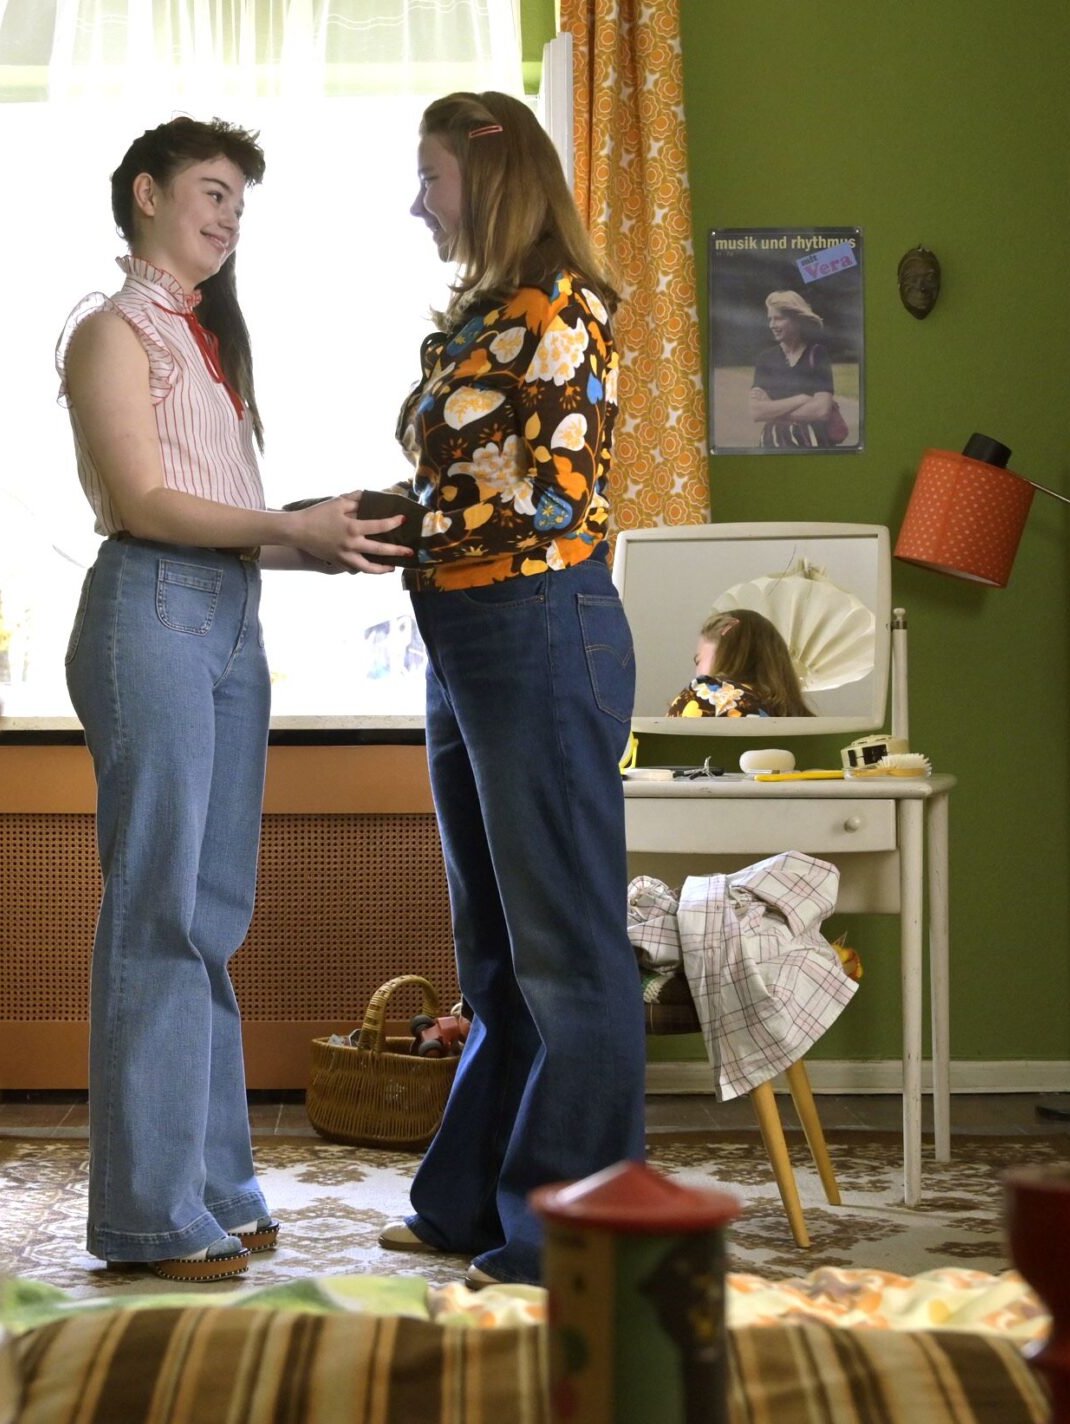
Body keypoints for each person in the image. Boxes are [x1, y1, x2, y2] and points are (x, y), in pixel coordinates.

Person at [59, 117, 409, 1283]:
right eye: (212, 192)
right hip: (150, 609)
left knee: (208, 917)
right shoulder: (110, 331)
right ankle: (147, 1217)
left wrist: (321, 537)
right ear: (146, 194)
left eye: (239, 204)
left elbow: (220, 517)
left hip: (221, 615)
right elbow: (141, 502)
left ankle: (211, 1188)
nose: (229, 216)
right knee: (159, 912)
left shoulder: (202, 341)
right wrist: (287, 528)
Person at [376, 90, 643, 1287]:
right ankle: (470, 1204)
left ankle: (569, 1239)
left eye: (428, 178)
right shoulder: (486, 317)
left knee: (568, 955)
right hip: (468, 632)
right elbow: (480, 482)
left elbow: (555, 500)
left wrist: (421, 526)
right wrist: (394, 523)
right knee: (494, 954)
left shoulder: (559, 309)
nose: (417, 203)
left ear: (485, 180)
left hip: (535, 623)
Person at [668, 608, 814, 718]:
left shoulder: (707, 697)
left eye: (698, 660)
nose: (697, 670)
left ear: (724, 655)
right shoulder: (807, 724)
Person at [750, 289, 845, 449]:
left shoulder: (817, 354)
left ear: (797, 320)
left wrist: (773, 411)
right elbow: (757, 412)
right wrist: (801, 399)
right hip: (773, 442)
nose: (772, 325)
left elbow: (822, 411)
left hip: (813, 441)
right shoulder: (765, 359)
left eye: (778, 318)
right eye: (770, 319)